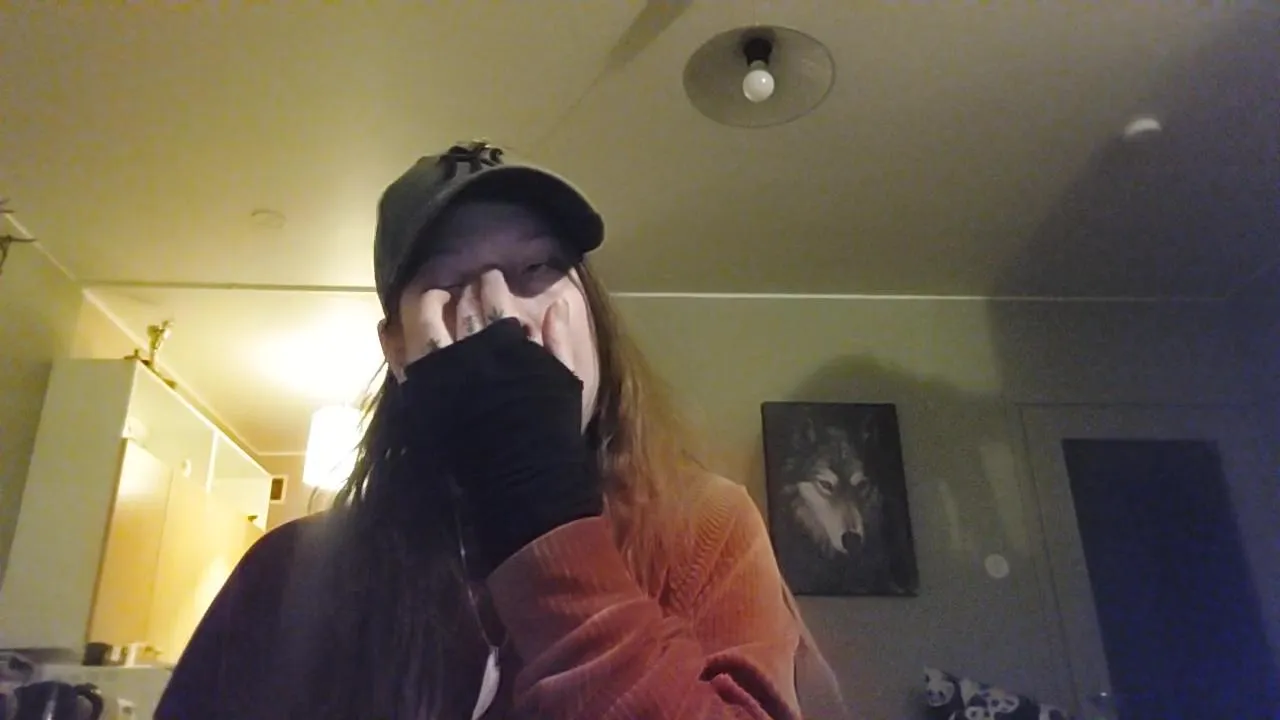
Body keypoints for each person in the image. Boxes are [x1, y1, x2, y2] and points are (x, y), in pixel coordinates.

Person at [154, 141, 847, 719]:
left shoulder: (706, 529)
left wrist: (544, 521)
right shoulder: (287, 576)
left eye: (536, 268)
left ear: (592, 310)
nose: (504, 314)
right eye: (450, 281)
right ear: (397, 349)